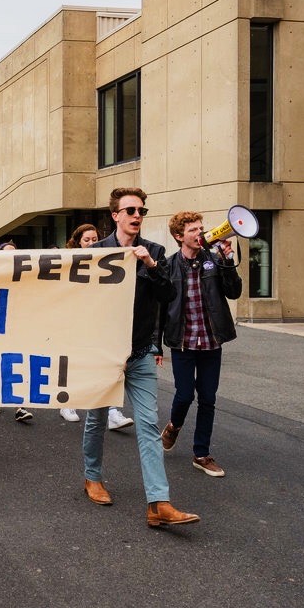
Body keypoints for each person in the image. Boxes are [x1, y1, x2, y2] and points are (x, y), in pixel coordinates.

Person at [83, 187, 199, 527]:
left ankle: (158, 503)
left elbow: (168, 294)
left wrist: (149, 265)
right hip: (103, 356)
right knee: (96, 420)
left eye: (141, 211)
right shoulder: (96, 252)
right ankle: (92, 477)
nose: (137, 215)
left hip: (139, 354)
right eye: (130, 210)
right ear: (115, 215)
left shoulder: (156, 252)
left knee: (148, 425)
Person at [160, 211, 242, 478]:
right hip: (182, 343)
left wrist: (228, 259)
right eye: (193, 230)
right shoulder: (169, 266)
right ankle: (174, 426)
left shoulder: (214, 260)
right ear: (178, 236)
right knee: (184, 395)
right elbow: (161, 308)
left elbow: (234, 292)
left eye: (201, 228)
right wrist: (155, 345)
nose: (199, 233)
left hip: (211, 341)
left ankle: (201, 454)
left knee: (208, 399)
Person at [60, 224, 134, 431]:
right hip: (76, 325)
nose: (92, 243)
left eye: (95, 239)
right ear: (77, 243)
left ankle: (111, 412)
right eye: (87, 240)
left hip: (101, 326)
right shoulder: (69, 265)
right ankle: (68, 403)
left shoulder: (109, 265)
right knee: (76, 365)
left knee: (105, 367)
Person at [0, 240, 34, 421]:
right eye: (6, 253)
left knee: (17, 363)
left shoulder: (24, 276)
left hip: (16, 326)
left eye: (13, 252)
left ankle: (19, 406)